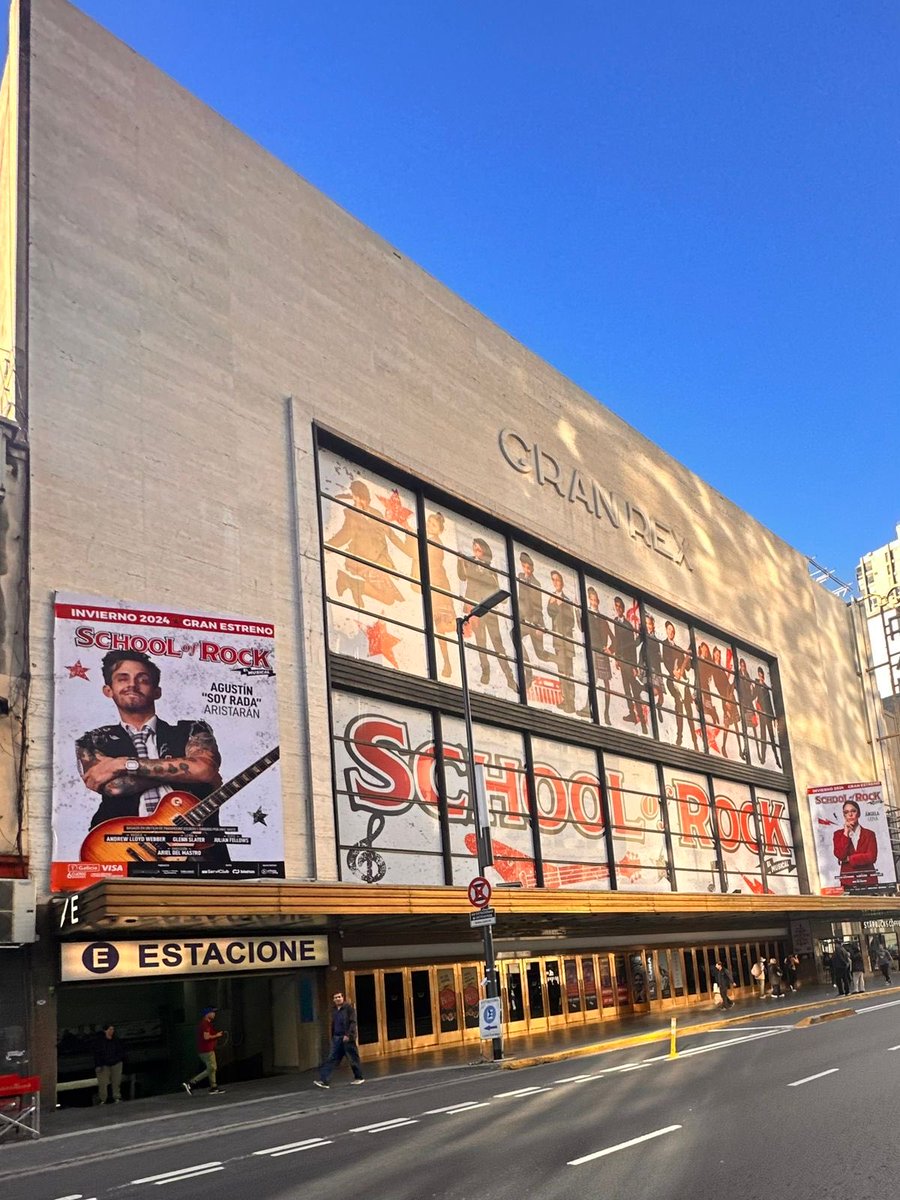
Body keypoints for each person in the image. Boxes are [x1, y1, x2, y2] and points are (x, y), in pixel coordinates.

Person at [76, 650, 225, 862]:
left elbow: (203, 769)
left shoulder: (192, 729)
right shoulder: (92, 740)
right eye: (122, 678)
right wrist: (185, 770)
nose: (132, 685)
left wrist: (122, 764)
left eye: (143, 679)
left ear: (157, 691)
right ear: (108, 690)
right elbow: (112, 787)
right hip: (121, 850)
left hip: (197, 850)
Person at [457, 538, 516, 691]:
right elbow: (462, 576)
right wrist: (459, 561)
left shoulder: (491, 570)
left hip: (489, 610)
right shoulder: (468, 562)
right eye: (474, 548)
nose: (476, 551)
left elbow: (498, 591)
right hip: (476, 610)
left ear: (484, 551)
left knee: (498, 644)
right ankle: (486, 671)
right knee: (481, 642)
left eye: (479, 549)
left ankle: (509, 676)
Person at [425, 512, 457, 678]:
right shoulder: (430, 539)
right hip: (435, 586)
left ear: (440, 530)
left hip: (438, 586)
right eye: (429, 522)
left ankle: (463, 626)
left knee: (442, 624)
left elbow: (434, 567)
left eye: (434, 525)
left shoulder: (434, 543)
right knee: (438, 626)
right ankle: (446, 662)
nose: (430, 525)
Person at [516, 552, 555, 685]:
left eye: (528, 567)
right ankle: (528, 670)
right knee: (514, 635)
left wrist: (540, 626)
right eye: (524, 566)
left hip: (534, 622)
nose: (526, 570)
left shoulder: (536, 583)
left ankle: (559, 660)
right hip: (524, 620)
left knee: (540, 653)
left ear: (532, 568)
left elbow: (538, 607)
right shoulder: (520, 577)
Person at [611, 597, 647, 733]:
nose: (618, 609)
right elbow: (617, 641)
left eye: (620, 606)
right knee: (627, 690)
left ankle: (642, 721)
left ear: (623, 609)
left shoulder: (628, 625)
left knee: (634, 691)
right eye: (616, 606)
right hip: (622, 660)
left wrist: (634, 666)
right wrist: (616, 658)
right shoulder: (615, 622)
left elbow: (632, 646)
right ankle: (633, 715)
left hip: (628, 661)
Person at [315, 991, 365, 1088]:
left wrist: (349, 1035)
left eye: (339, 997)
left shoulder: (349, 1009)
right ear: (333, 1000)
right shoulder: (334, 1010)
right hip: (337, 1038)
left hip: (347, 1038)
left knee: (352, 1058)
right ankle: (324, 1080)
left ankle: (359, 1077)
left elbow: (353, 1022)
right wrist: (333, 1036)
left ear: (343, 998)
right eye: (335, 997)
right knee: (332, 1058)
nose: (338, 999)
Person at [662, 621, 699, 749]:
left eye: (673, 630)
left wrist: (689, 658)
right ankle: (679, 735)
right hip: (672, 680)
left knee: (689, 710)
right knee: (678, 705)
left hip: (683, 681)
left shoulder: (678, 649)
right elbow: (666, 662)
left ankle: (694, 741)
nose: (671, 632)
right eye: (669, 630)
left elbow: (688, 667)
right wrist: (673, 672)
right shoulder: (664, 645)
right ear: (666, 631)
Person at [546, 569, 578, 713]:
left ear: (562, 583)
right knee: (561, 671)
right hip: (558, 642)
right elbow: (550, 614)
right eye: (553, 580)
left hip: (566, 642)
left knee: (568, 672)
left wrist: (560, 605)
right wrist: (553, 604)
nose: (555, 582)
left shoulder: (567, 601)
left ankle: (571, 702)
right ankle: (565, 699)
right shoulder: (551, 598)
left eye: (557, 580)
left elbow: (571, 621)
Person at [832, 799, 879, 891]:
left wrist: (849, 859)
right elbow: (840, 855)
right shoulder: (838, 834)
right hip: (848, 882)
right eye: (846, 812)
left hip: (869, 880)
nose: (850, 814)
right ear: (844, 815)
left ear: (859, 813)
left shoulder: (869, 834)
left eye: (853, 811)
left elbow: (872, 857)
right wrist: (846, 833)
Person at [183, 1005, 225, 1095]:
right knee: (212, 1068)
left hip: (206, 1049)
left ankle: (214, 1087)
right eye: (212, 1012)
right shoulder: (205, 1024)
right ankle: (191, 1083)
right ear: (207, 1014)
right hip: (206, 1050)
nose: (214, 1014)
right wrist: (217, 1035)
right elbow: (206, 1037)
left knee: (212, 1068)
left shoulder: (206, 1023)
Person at [585, 587, 613, 722]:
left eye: (596, 600)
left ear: (598, 601)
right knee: (593, 680)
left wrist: (610, 649)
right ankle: (587, 708)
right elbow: (582, 629)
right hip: (593, 651)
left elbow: (614, 638)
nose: (594, 602)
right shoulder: (587, 614)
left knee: (606, 683)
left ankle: (606, 714)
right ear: (589, 600)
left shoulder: (603, 619)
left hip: (602, 652)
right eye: (592, 599)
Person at [753, 667, 781, 768]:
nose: (760, 676)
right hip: (762, 714)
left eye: (761, 674)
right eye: (759, 674)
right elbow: (754, 697)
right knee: (763, 736)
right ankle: (763, 758)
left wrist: (773, 717)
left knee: (772, 737)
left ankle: (777, 758)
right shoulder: (757, 685)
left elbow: (770, 703)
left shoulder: (766, 687)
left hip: (768, 715)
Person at [94, 1023, 126, 1104]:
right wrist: (98, 1065)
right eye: (110, 1029)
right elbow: (97, 1054)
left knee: (116, 1081)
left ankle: (117, 1097)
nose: (112, 1031)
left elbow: (121, 1051)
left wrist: (119, 1059)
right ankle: (102, 1099)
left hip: (116, 1063)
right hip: (104, 1064)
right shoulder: (100, 1042)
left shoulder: (116, 1040)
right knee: (103, 1083)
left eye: (113, 1029)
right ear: (105, 1031)